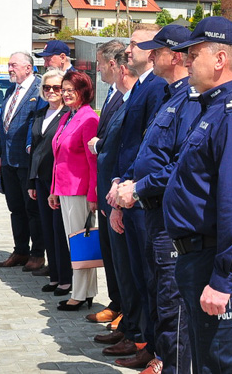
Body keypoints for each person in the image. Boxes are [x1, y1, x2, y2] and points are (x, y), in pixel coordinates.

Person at [163, 17, 232, 373]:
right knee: (207, 360)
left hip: (215, 260)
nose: (187, 61)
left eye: (193, 54)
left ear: (220, 59)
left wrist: (222, 281)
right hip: (199, 255)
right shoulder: (215, 108)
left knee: (219, 365)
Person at [116, 23, 197, 374]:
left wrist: (138, 187)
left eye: (158, 49)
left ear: (175, 56)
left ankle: (170, 363)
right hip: (151, 211)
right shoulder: (169, 95)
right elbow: (150, 151)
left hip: (168, 216)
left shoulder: (188, 99)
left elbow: (180, 165)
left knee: (170, 299)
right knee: (157, 290)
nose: (151, 55)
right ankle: (162, 358)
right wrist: (126, 179)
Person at [105, 24, 167, 367]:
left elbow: (149, 148)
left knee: (150, 277)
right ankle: (142, 338)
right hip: (129, 190)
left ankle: (149, 342)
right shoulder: (143, 86)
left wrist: (130, 186)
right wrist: (119, 182)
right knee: (139, 276)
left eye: (134, 44)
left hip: (144, 197)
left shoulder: (157, 88)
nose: (128, 50)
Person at [91, 54, 146, 359]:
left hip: (131, 199)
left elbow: (130, 148)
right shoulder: (124, 99)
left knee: (134, 273)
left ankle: (137, 334)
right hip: (116, 193)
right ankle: (130, 327)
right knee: (123, 269)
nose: (102, 69)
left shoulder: (139, 98)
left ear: (121, 69)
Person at [85, 40, 127, 326]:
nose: (97, 69)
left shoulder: (128, 96)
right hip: (105, 187)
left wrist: (100, 144)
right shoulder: (112, 94)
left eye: (100, 64)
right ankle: (116, 302)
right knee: (110, 252)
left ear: (113, 64)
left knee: (122, 256)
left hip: (118, 186)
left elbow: (120, 141)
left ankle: (126, 307)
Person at [49, 70, 99, 310]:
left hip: (80, 190)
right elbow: (58, 156)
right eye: (64, 89)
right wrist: (53, 189)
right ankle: (86, 291)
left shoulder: (89, 118)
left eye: (71, 90)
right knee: (77, 243)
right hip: (65, 189)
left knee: (80, 243)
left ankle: (79, 294)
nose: (66, 94)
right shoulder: (67, 116)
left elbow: (92, 161)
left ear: (83, 91)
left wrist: (93, 195)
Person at [0, 52, 46, 271]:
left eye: (13, 65)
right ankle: (20, 250)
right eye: (8, 65)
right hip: (8, 160)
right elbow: (2, 127)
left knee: (32, 209)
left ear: (28, 67)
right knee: (15, 209)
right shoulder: (10, 90)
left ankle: (37, 254)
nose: (9, 69)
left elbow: (38, 123)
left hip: (26, 161)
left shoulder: (39, 90)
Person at [27, 70, 70, 293]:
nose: (51, 92)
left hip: (60, 182)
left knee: (60, 231)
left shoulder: (68, 115)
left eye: (56, 88)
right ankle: (54, 275)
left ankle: (65, 278)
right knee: (47, 230)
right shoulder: (40, 113)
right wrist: (32, 182)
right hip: (41, 180)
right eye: (47, 88)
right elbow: (35, 149)